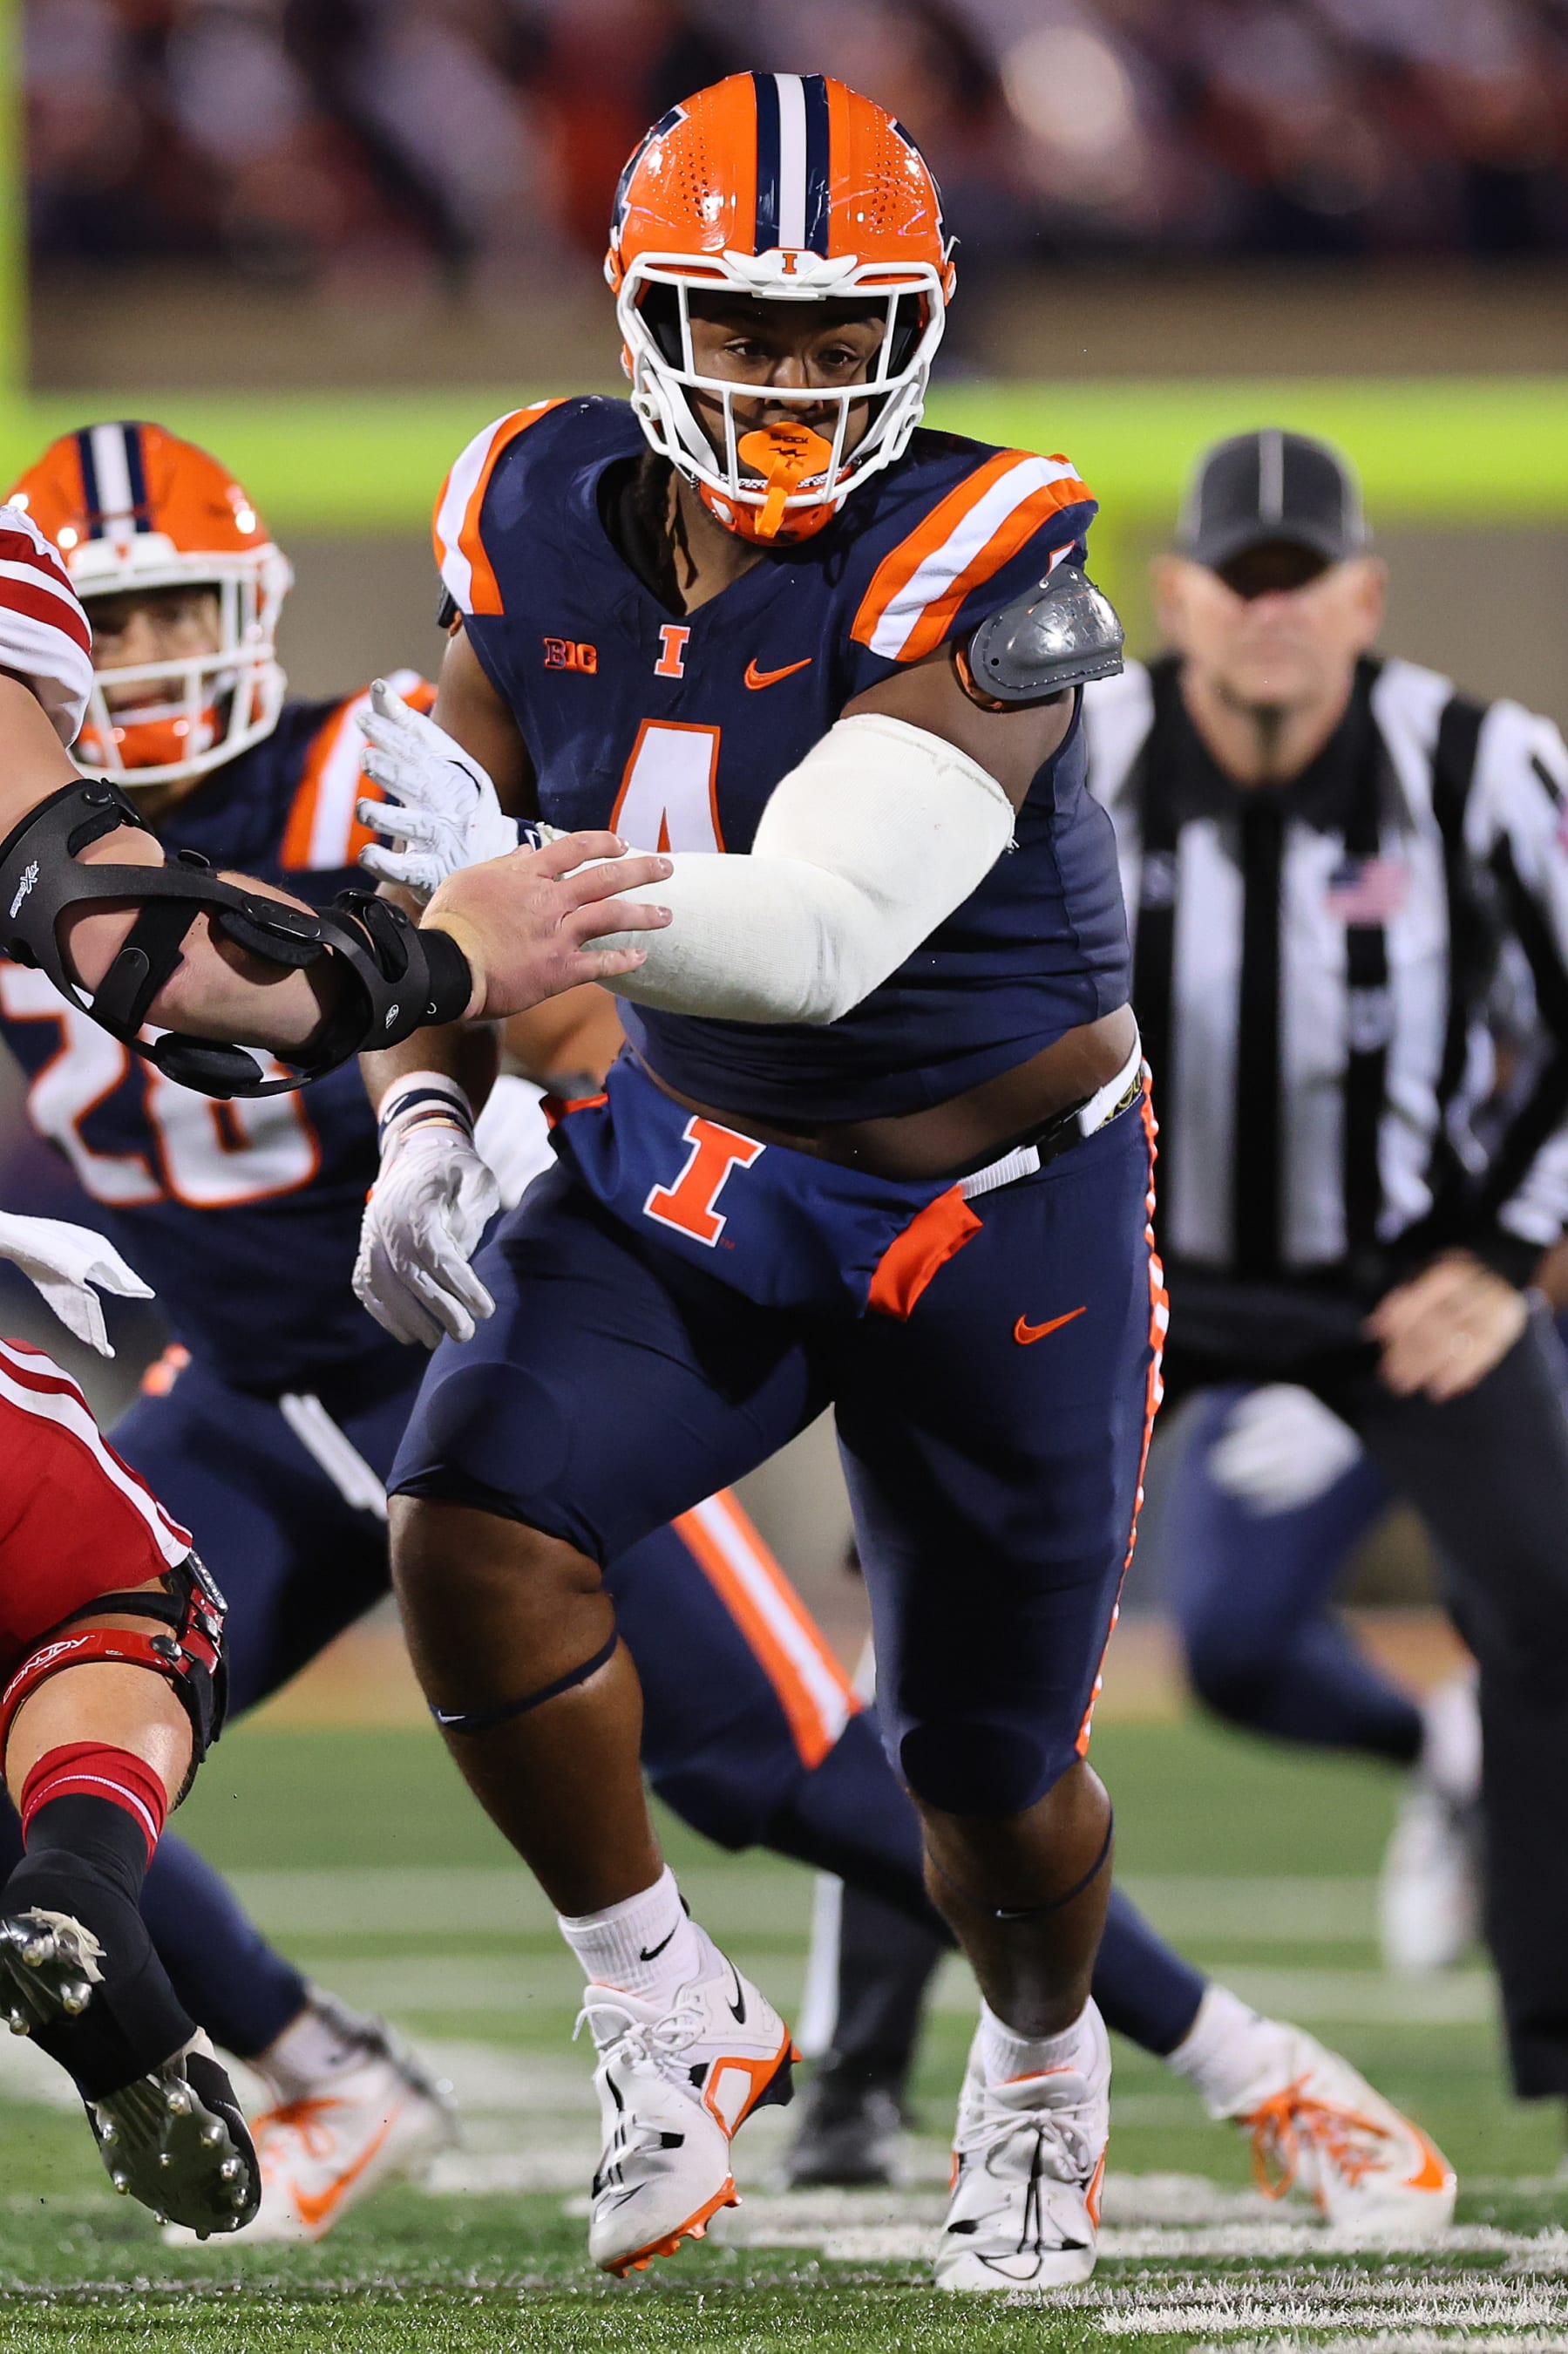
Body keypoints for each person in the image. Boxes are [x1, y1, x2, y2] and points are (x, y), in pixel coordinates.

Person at [3, 416, 1442, 2250]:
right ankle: (322, 2061)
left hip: (460, 1324)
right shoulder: (52, 840)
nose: (136, 665)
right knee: (31, 1733)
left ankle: (1239, 2060)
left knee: (850, 1778)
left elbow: (596, 1018)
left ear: (252, 606)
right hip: (264, 1405)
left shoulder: (353, 766)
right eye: (102, 627)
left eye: (170, 614)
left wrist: (480, 1123)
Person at [345, 73, 1442, 2289]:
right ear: (645, 314)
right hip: (713, 1167)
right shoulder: (527, 502)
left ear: (918, 331)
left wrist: (507, 885)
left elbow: (826, 934)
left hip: (998, 1211)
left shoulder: (994, 552)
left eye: (836, 329)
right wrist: (428, 1109)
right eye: (738, 327)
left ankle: (1042, 2069)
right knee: (466, 1520)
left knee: (984, 1777)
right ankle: (663, 2000)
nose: (787, 376)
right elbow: (442, 852)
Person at [1070, 425, 1568, 2119]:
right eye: (1241, 577)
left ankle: (1557, 2048)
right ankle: (862, 2073)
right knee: (975, 1608)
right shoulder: (1076, 751)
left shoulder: (1480, 766)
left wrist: (1505, 1254)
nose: (1271, 610)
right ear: (1176, 592)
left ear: (1363, 598)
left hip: (1401, 1281)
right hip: (1138, 1268)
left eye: (1304, 580)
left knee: (1551, 1607)